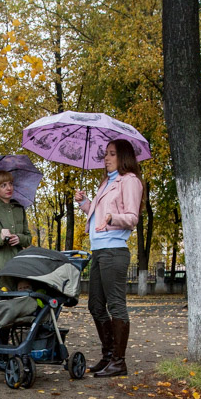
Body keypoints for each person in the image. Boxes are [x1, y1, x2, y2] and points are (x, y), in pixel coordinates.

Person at [75, 139, 141, 377]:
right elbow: (99, 214)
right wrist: (84, 203)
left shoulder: (130, 181)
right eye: (105, 154)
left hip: (114, 250)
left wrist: (114, 218)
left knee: (115, 305)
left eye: (112, 154)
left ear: (123, 157)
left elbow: (132, 217)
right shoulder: (106, 182)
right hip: (99, 250)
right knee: (95, 305)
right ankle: (108, 356)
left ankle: (119, 362)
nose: (106, 158)